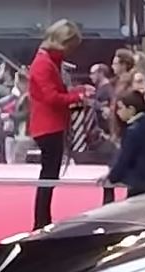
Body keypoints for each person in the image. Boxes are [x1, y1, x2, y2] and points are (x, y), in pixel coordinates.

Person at [28, 19, 91, 229]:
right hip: (48, 126)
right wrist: (77, 96)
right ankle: (40, 221)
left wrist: (76, 92)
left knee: (50, 175)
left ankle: (43, 220)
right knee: (48, 176)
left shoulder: (49, 62)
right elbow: (51, 98)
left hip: (51, 124)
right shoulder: (43, 64)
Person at [105, 90, 145, 197]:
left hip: (139, 181)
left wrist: (112, 178)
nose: (118, 112)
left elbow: (125, 158)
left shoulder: (133, 131)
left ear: (131, 109)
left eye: (120, 108)